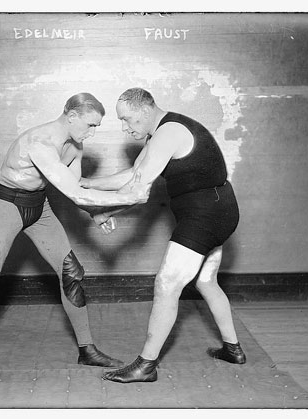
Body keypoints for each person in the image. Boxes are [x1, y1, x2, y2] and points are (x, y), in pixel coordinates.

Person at [0, 92, 150, 390]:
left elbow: (72, 188)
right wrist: (129, 197)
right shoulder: (39, 142)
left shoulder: (75, 148)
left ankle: (87, 350)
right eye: (89, 125)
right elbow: (74, 192)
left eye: (96, 127)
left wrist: (96, 214)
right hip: (8, 205)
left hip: (40, 207)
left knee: (72, 273)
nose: (91, 133)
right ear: (72, 116)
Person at [80, 88, 245, 384]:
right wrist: (87, 183)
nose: (125, 127)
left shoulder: (169, 132)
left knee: (166, 283)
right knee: (206, 281)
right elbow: (134, 175)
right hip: (218, 209)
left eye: (127, 119)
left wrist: (92, 204)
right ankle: (233, 349)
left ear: (145, 110)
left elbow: (138, 193)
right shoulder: (160, 135)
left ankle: (146, 365)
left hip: (206, 215)